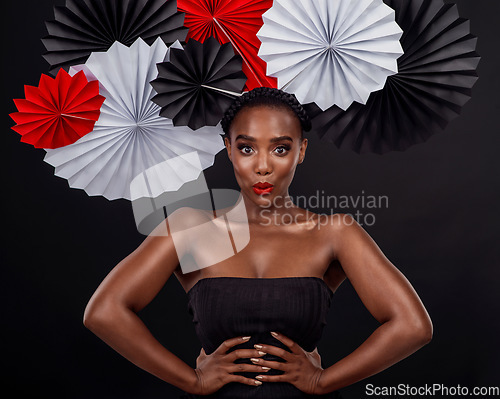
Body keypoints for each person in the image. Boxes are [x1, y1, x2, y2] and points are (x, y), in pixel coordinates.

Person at [83, 87, 433, 398]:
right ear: (229, 150)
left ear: (301, 151)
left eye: (280, 148)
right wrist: (192, 381)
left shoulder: (333, 232)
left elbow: (412, 326)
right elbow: (104, 312)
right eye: (247, 147)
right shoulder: (189, 228)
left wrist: (322, 381)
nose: (263, 166)